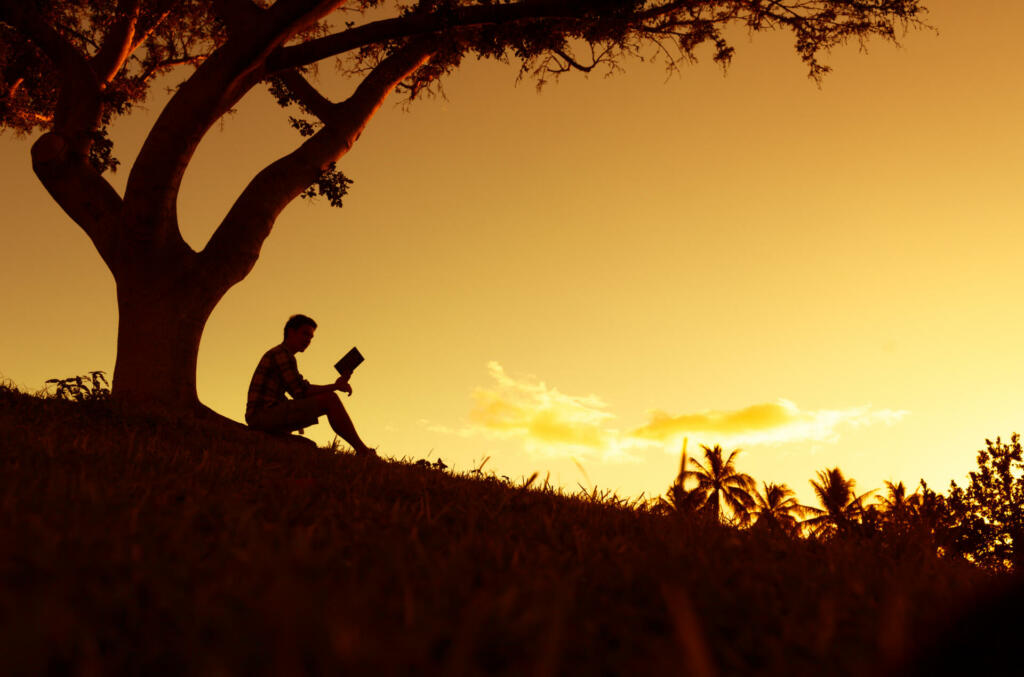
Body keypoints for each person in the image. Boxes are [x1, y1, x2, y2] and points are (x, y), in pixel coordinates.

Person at [246, 314, 376, 457]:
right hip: (262, 416)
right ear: (290, 332)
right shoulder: (281, 354)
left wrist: (336, 385)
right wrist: (335, 387)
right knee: (330, 400)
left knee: (325, 401)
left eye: (311, 337)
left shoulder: (283, 354)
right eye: (305, 334)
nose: (308, 340)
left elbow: (298, 390)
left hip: (264, 415)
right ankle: (363, 451)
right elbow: (301, 391)